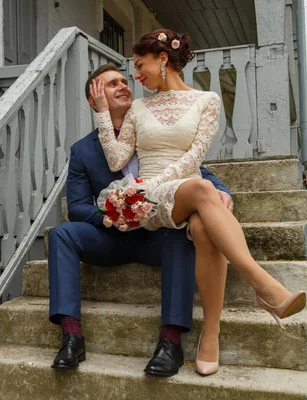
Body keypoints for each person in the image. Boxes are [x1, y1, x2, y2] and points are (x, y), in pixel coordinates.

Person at [90, 28, 306, 376]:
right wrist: (103, 113)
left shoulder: (207, 100)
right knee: (205, 191)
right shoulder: (138, 108)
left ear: (163, 59)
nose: (136, 74)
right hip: (153, 203)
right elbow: (117, 160)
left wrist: (154, 184)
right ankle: (264, 286)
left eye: (140, 64)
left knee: (205, 226)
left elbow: (194, 157)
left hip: (180, 187)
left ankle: (211, 335)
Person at [48, 63, 232, 377]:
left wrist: (220, 190)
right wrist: (109, 218)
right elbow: (77, 206)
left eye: (124, 81)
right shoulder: (82, 150)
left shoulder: (152, 130)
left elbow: (194, 170)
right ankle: (71, 335)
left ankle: (171, 341)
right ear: (95, 100)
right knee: (60, 234)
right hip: (111, 236)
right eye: (111, 84)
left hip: (155, 237)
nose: (123, 86)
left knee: (181, 231)